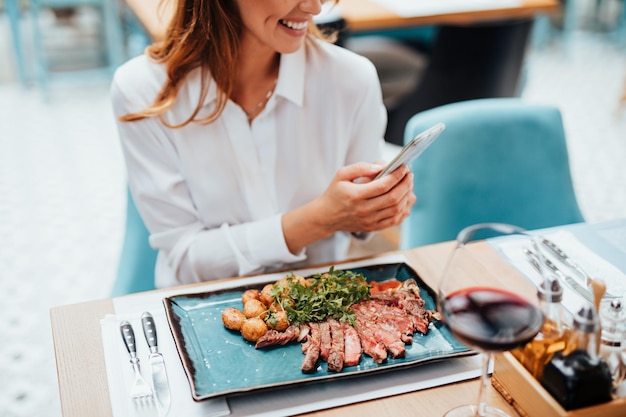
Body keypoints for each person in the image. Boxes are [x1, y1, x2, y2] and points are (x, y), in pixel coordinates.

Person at [111, 0, 416, 288]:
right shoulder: (142, 91)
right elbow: (186, 260)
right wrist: (318, 219)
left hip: (321, 312)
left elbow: (358, 223)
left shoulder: (351, 79)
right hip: (203, 310)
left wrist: (378, 207)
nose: (314, 7)